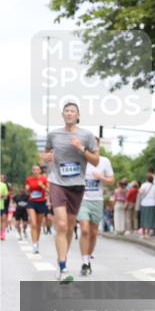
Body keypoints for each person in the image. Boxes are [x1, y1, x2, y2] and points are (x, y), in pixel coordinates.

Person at [41, 101, 100, 283]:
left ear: (78, 115)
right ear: (63, 114)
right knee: (61, 224)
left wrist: (80, 148)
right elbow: (45, 157)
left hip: (77, 184)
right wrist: (46, 159)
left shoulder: (87, 135)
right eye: (66, 110)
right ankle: (63, 266)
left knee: (70, 224)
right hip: (57, 181)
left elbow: (96, 161)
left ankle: (62, 258)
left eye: (72, 111)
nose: (69, 113)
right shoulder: (53, 135)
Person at [77, 145, 115, 276]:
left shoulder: (105, 161)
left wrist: (102, 178)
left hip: (97, 201)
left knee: (93, 233)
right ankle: (84, 261)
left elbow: (112, 180)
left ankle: (88, 256)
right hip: (82, 200)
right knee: (85, 230)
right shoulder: (80, 160)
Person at [25, 165, 48, 254]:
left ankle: (37, 242)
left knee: (38, 225)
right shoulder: (29, 179)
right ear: (32, 171)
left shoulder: (44, 179)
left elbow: (49, 190)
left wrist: (42, 186)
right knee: (33, 223)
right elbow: (27, 190)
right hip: (32, 202)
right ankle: (34, 244)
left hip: (41, 203)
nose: (35, 171)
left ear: (40, 171)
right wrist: (27, 189)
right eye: (34, 169)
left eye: (37, 169)